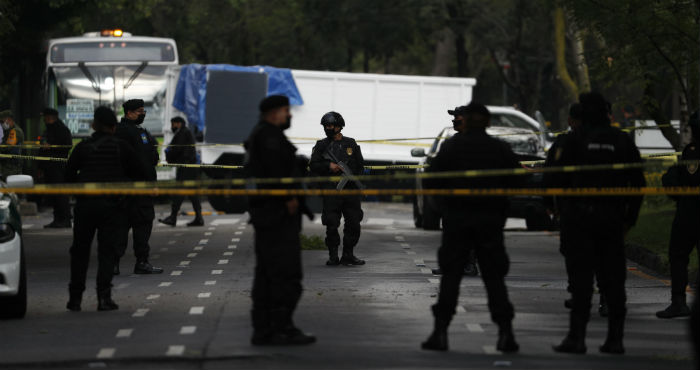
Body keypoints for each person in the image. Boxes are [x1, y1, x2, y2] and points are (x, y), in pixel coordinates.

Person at [422, 103, 520, 353]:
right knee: (494, 279)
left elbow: (432, 182)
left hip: (458, 221)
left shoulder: (452, 147)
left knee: (451, 278)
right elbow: (517, 180)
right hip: (490, 223)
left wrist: (445, 208)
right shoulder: (499, 149)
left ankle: (440, 332)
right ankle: (506, 333)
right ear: (488, 122)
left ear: (464, 121)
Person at [552, 92, 645, 355]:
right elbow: (638, 183)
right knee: (614, 282)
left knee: (581, 283)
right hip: (611, 220)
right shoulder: (622, 141)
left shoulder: (573, 141)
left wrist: (562, 212)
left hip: (579, 221)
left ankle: (577, 338)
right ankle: (615, 339)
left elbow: (555, 181)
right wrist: (629, 219)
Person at [244, 95, 315, 346]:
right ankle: (281, 328)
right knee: (285, 275)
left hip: (268, 217)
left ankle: (264, 329)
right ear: (274, 113)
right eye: (286, 110)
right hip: (277, 218)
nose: (290, 115)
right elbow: (276, 173)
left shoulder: (262, 135)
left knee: (266, 276)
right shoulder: (269, 137)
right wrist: (288, 198)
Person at [65, 106, 147, 311]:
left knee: (80, 252)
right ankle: (104, 297)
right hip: (113, 207)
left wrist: (81, 188)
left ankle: (75, 298)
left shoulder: (83, 147)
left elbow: (67, 176)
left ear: (94, 125)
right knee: (107, 252)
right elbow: (141, 172)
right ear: (113, 127)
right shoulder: (121, 148)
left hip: (85, 206)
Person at [545, 103, 607, 317]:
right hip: (605, 208)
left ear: (571, 120)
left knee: (574, 253)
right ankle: (606, 298)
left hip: (574, 208)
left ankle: (579, 294)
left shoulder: (565, 142)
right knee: (602, 253)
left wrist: (548, 204)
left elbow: (550, 174)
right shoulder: (611, 140)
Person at [656, 110, 700, 319]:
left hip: (690, 212)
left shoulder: (693, 151)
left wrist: (673, 180)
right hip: (689, 210)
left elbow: (682, 179)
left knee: (678, 255)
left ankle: (679, 302)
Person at [309, 112, 365, 266]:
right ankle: (333, 255)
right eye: (325, 126)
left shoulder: (351, 144)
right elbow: (313, 165)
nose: (328, 128)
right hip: (331, 191)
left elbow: (360, 165)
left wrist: (350, 174)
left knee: (354, 222)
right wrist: (329, 166)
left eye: (331, 125)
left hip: (350, 190)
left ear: (339, 126)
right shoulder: (321, 146)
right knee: (331, 222)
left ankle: (348, 254)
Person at [114, 99, 163, 275]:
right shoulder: (134, 133)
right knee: (142, 224)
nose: (143, 114)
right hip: (139, 188)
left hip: (121, 188)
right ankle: (141, 261)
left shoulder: (121, 131)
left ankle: (114, 263)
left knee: (120, 225)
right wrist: (152, 184)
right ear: (129, 113)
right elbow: (146, 161)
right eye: (140, 111)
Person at [158, 116, 203, 227]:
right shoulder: (185, 132)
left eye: (173, 124)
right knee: (193, 194)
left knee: (179, 192)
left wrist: (169, 155)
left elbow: (176, 149)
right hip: (190, 167)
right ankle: (199, 218)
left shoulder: (183, 133)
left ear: (178, 124)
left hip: (186, 168)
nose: (172, 127)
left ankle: (173, 217)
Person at [39, 108, 73, 228]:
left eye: (45, 117)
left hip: (58, 167)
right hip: (49, 167)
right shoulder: (49, 129)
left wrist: (51, 147)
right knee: (54, 195)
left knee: (60, 194)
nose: (44, 119)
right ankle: (57, 219)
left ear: (50, 117)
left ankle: (64, 219)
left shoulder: (61, 129)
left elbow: (67, 145)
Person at [0, 110, 24, 179]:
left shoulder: (15, 131)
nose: (1, 124)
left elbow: (6, 147)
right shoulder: (8, 131)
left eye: (2, 121)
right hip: (6, 168)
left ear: (9, 120)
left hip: (12, 170)